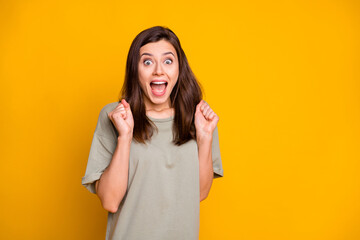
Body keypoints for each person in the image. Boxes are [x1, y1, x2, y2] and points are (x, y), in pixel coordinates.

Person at [81, 26, 224, 240]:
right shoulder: (114, 116)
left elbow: (199, 194)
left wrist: (205, 139)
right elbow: (110, 201)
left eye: (168, 61)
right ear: (135, 69)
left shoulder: (198, 119)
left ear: (179, 69)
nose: (158, 71)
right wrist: (125, 137)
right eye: (147, 62)